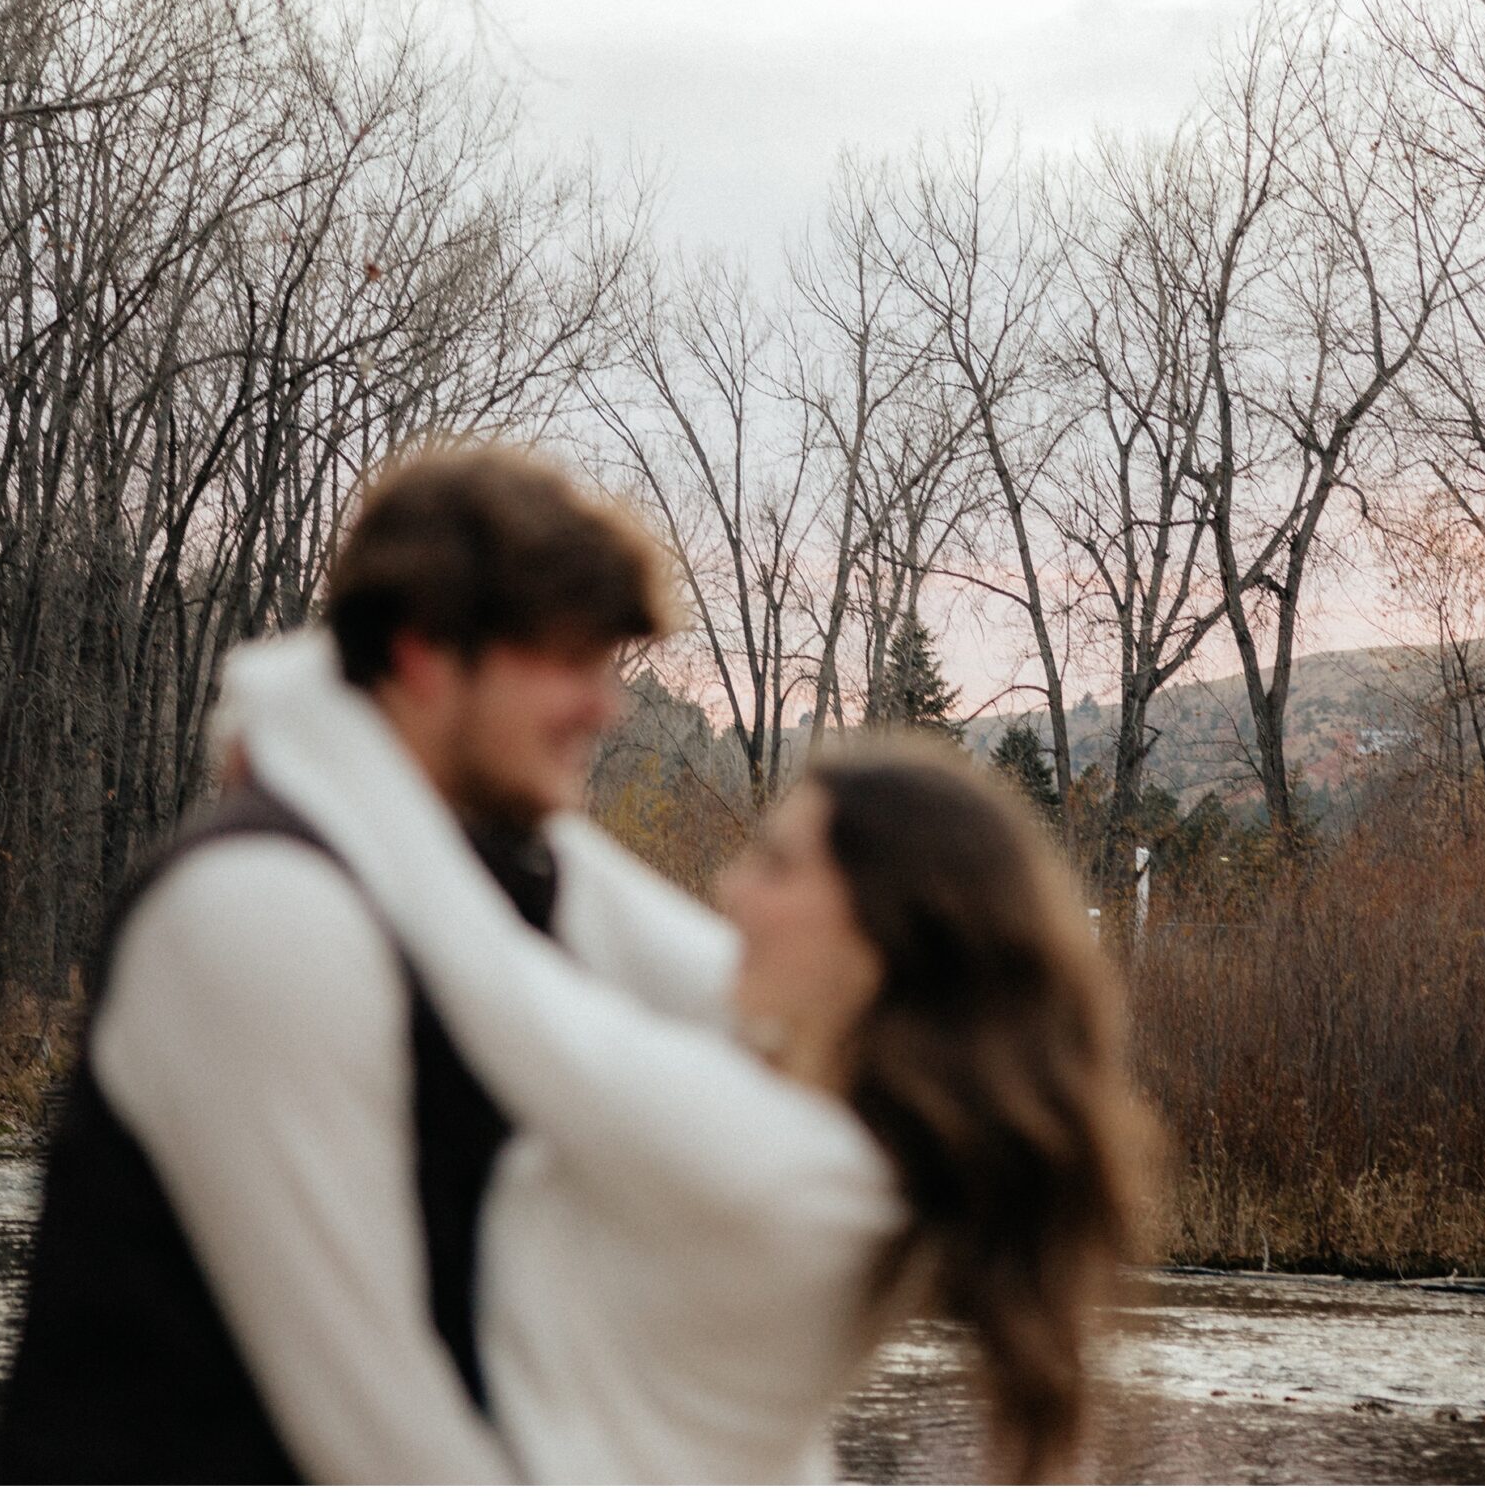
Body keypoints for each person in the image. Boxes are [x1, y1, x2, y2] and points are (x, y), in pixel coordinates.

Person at [223, 628, 1155, 1482]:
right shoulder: (865, 1102)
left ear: (878, 937)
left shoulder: (785, 1163)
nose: (732, 887)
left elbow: (478, 959)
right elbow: (594, 892)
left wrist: (294, 700)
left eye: (778, 865)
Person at [0, 445, 725, 1482]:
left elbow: (759, 1007)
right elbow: (373, 1425)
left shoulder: (485, 875)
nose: (603, 708)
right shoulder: (256, 911)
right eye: (567, 662)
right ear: (425, 651)